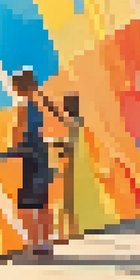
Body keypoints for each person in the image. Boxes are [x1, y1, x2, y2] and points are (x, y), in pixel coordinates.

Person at [0, 69, 64, 256]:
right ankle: (45, 241)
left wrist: (12, 148)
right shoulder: (37, 105)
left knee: (28, 203)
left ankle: (34, 242)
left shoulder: (22, 105)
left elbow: (19, 130)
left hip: (29, 156)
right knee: (43, 202)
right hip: (41, 154)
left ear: (18, 87)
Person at [56, 93, 85, 243]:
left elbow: (68, 143)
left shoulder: (71, 121)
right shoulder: (77, 121)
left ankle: (64, 233)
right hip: (74, 162)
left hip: (69, 162)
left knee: (66, 200)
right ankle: (72, 231)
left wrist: (56, 143)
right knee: (70, 201)